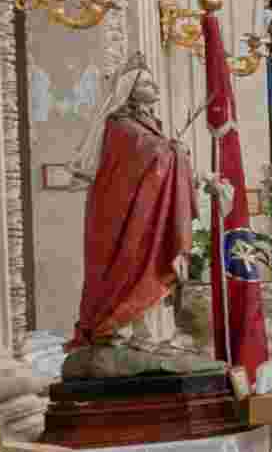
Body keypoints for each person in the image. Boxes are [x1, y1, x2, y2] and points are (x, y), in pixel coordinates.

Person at [68, 63, 197, 358]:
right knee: (127, 266)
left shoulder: (149, 124)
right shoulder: (119, 125)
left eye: (153, 83)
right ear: (129, 91)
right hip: (121, 213)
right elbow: (145, 154)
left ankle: (145, 332)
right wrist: (173, 150)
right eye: (146, 84)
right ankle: (114, 328)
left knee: (149, 267)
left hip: (148, 211)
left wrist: (175, 151)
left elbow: (158, 151)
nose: (154, 89)